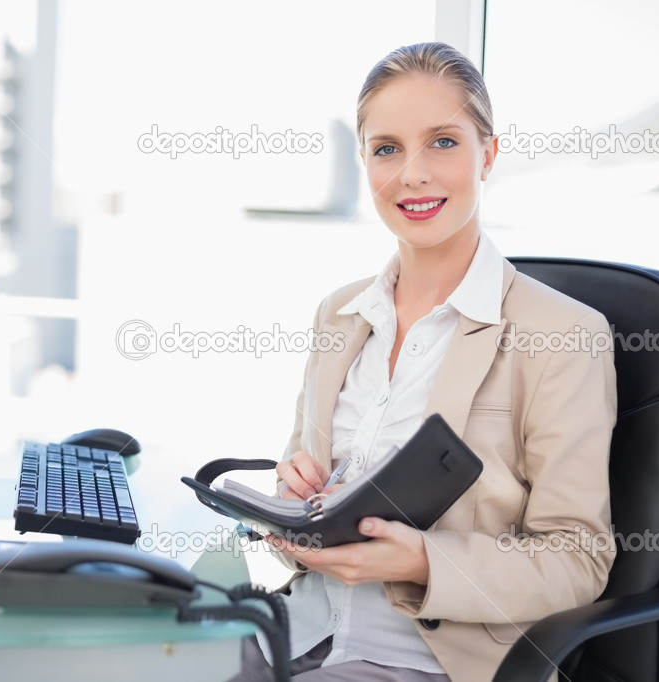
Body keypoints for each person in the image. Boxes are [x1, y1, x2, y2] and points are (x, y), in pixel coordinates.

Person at [231, 42, 617, 682]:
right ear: (365, 162)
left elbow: (578, 560)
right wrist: (294, 497)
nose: (412, 173)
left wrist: (423, 561)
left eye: (443, 141)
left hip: (423, 661)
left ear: (487, 153)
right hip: (290, 632)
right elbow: (302, 486)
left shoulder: (564, 334)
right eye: (387, 148)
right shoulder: (340, 315)